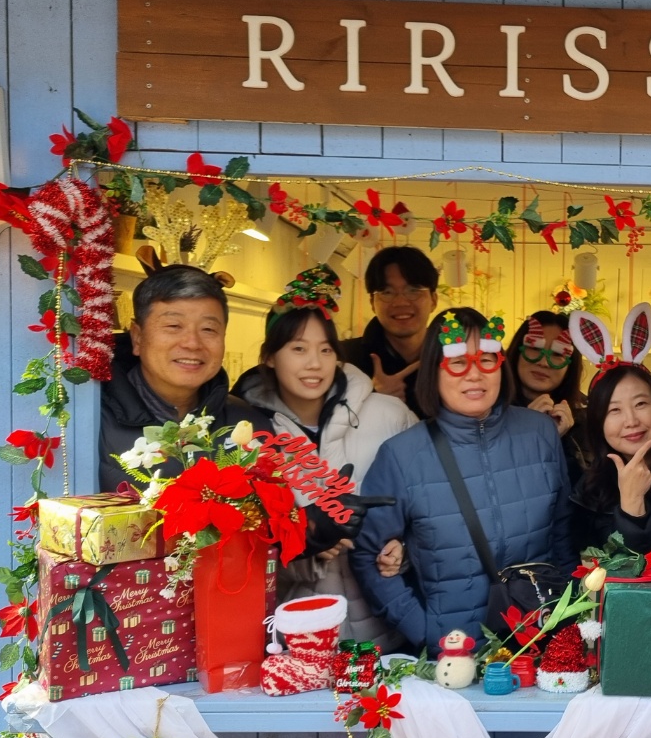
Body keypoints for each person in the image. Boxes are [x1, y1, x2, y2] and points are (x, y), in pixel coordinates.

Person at [349, 308, 572, 653]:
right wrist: (425, 630)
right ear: (433, 371)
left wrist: (569, 626)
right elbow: (368, 555)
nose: (475, 375)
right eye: (457, 362)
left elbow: (563, 536)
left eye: (486, 360)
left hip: (541, 643)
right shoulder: (401, 455)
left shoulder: (540, 433)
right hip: (454, 655)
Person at [234, 266, 417, 652]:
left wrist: (405, 550)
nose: (314, 363)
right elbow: (236, 547)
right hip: (295, 635)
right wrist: (307, 542)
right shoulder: (246, 434)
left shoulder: (391, 416)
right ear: (270, 356)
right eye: (298, 349)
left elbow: (431, 510)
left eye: (325, 349)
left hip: (388, 631)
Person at [99, 264, 269, 491]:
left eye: (208, 329)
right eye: (173, 326)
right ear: (137, 337)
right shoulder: (89, 420)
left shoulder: (249, 424)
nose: (192, 343)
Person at [566, 304, 651, 556]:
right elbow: (612, 570)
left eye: (640, 404)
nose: (630, 421)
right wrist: (631, 504)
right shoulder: (589, 492)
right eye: (614, 410)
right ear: (598, 423)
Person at [338, 246, 438, 419]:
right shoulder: (344, 359)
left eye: (413, 290)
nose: (400, 302)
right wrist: (373, 400)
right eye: (387, 292)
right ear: (372, 302)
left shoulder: (452, 357)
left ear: (433, 300)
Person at [506, 311, 588, 488]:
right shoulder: (488, 414)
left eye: (557, 354)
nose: (543, 362)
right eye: (534, 348)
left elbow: (588, 492)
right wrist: (529, 437)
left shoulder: (586, 421)